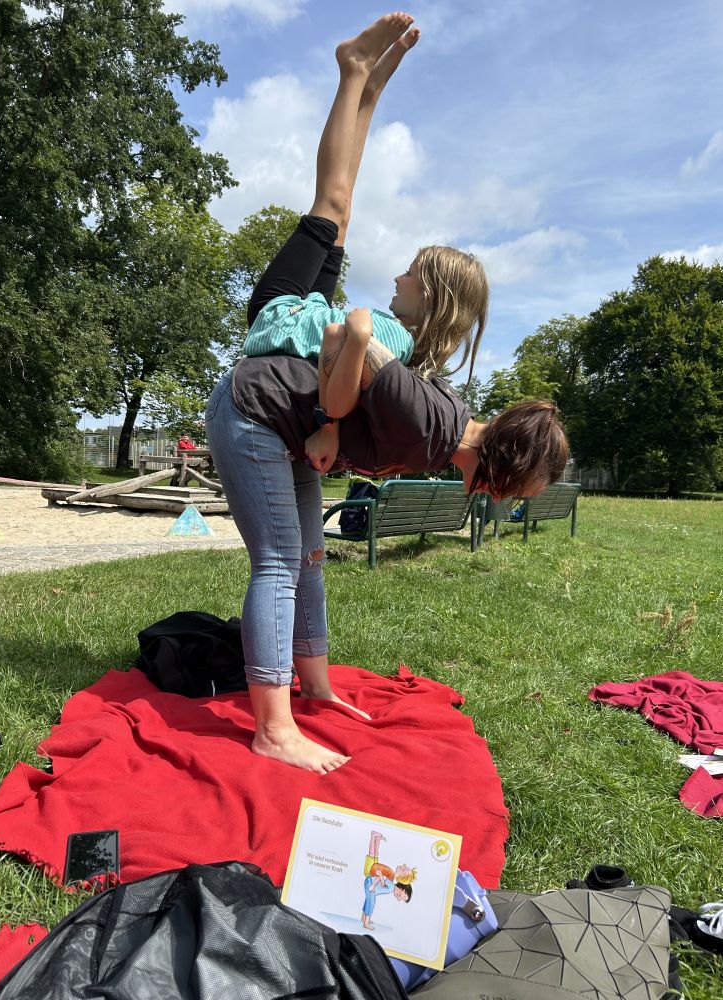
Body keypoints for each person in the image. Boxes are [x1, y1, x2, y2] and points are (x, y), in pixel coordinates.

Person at [205, 13, 570, 775]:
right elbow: (357, 333)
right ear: (494, 471)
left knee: (308, 559)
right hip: (254, 412)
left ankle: (311, 688)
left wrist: (330, 425)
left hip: (275, 422)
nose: (502, 505)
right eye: (510, 493)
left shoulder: (438, 434)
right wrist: (329, 419)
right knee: (279, 563)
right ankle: (272, 729)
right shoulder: (434, 424)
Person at [240, 15, 488, 423]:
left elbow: (339, 396)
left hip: (279, 316)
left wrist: (328, 425)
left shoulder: (390, 339)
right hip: (306, 318)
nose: (397, 277)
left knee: (332, 202)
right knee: (343, 211)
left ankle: (353, 71)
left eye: (410, 273)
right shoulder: (403, 347)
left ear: (430, 296)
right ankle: (367, 92)